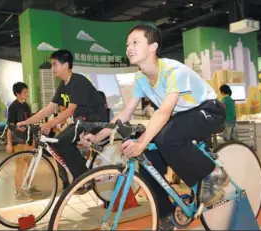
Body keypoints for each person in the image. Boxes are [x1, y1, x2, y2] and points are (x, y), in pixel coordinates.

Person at [81, 24, 228, 230]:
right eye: (127, 44)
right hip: (182, 117)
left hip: (209, 110)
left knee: (164, 138)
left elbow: (164, 112)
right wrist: (99, 137)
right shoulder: (141, 78)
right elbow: (125, 113)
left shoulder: (171, 70)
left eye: (135, 42)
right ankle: (166, 216)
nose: (129, 48)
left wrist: (141, 142)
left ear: (153, 47)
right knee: (147, 160)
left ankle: (213, 174)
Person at [17, 49, 108, 193]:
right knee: (57, 143)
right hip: (82, 121)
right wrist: (25, 122)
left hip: (95, 120)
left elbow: (70, 110)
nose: (52, 68)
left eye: (54, 64)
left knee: (62, 142)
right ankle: (70, 180)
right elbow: (48, 109)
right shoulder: (63, 85)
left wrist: (49, 124)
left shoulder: (78, 81)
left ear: (65, 65)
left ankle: (86, 178)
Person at [6, 82, 40, 201]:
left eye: (27, 92)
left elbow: (30, 121)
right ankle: (18, 192)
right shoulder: (13, 107)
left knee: (31, 165)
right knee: (19, 167)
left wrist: (34, 139)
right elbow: (10, 125)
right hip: (19, 142)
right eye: (25, 92)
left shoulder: (26, 106)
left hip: (28, 140)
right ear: (17, 94)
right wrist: (9, 142)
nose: (27, 94)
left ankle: (30, 186)